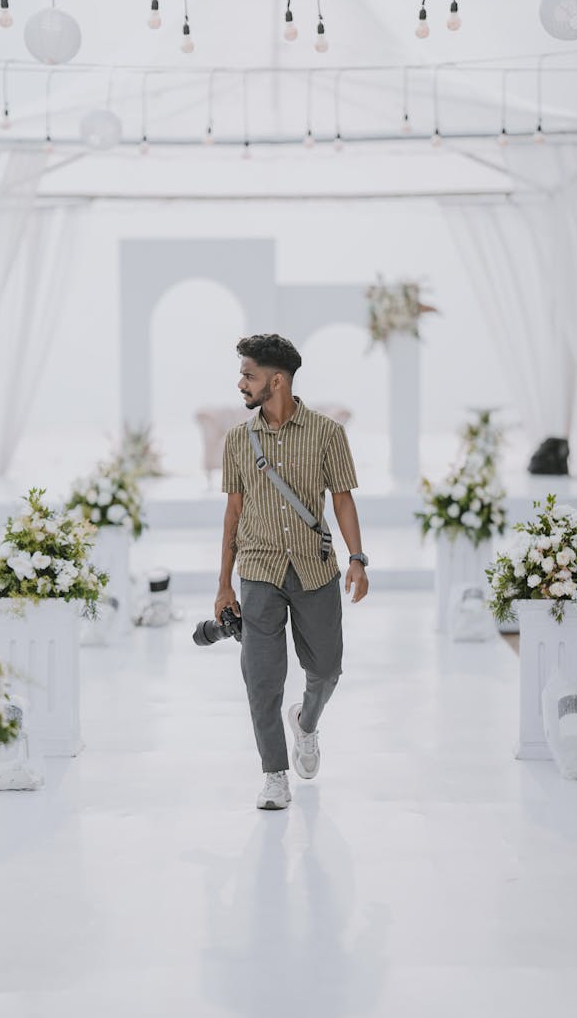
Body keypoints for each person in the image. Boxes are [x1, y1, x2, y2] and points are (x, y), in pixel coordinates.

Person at [216, 334, 369, 811]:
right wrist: (224, 584)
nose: (241, 383)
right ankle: (274, 774)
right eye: (242, 373)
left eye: (249, 375)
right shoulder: (238, 440)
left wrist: (357, 559)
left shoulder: (327, 433)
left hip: (314, 568)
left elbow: (342, 499)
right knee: (261, 678)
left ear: (276, 381)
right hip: (259, 569)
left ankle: (305, 722)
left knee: (326, 669)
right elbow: (233, 513)